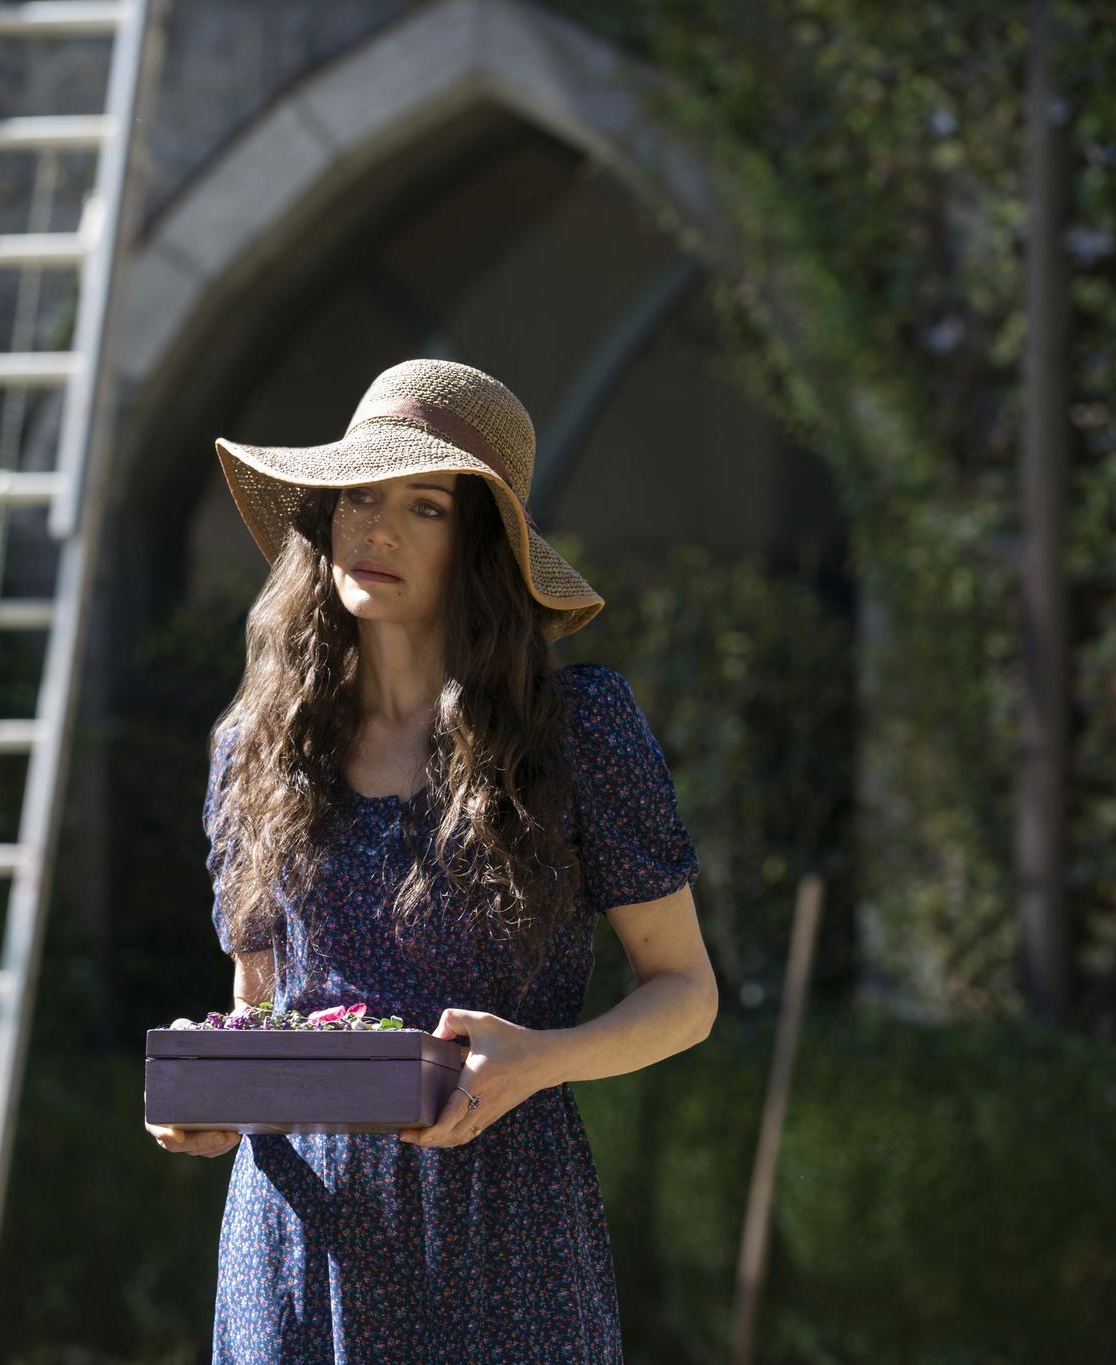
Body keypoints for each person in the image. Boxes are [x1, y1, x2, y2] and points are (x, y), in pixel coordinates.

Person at [144, 358, 719, 1363]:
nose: (376, 528)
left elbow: (685, 993)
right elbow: (261, 1007)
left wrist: (541, 1059)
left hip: (506, 1240)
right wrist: (211, 1101)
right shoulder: (256, 747)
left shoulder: (577, 730)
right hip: (296, 1249)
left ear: (481, 548)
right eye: (358, 496)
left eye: (424, 505)